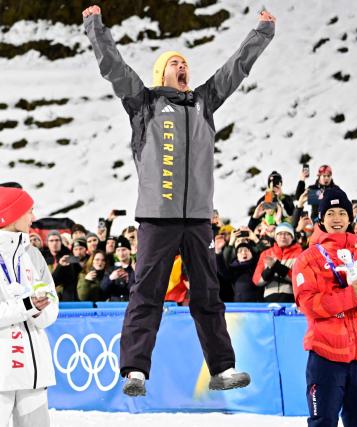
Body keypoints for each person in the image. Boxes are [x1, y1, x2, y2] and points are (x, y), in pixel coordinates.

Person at [82, 4, 275, 396]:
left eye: (185, 62)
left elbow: (235, 68)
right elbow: (114, 67)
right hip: (157, 217)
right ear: (161, 74)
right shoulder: (145, 103)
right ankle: (135, 370)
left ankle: (222, 369)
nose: (182, 66)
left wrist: (263, 33)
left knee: (207, 294)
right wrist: (94, 26)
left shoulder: (204, 102)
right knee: (146, 293)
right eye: (175, 63)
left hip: (198, 218)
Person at [292, 187, 357, 427]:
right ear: (321, 219)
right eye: (330, 213)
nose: (337, 219)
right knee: (323, 422)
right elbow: (309, 304)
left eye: (342, 213)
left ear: (350, 217)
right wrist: (351, 295)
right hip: (326, 356)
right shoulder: (307, 259)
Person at [0, 187, 58, 426]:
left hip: (35, 374)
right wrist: (26, 305)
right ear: (11, 215)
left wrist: (39, 308)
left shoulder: (33, 254)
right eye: (29, 211)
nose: (33, 218)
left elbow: (52, 306)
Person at [253, 222, 303, 302]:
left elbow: (299, 279)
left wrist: (276, 266)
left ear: (292, 237)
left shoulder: (300, 254)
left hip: (291, 299)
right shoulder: (266, 253)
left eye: (287, 234)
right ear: (275, 237)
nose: (283, 237)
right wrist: (269, 270)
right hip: (268, 300)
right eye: (280, 234)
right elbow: (257, 280)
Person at [100, 236, 135, 301]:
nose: (121, 253)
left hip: (130, 304)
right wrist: (111, 278)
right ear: (115, 253)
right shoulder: (111, 269)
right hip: (114, 306)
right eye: (118, 250)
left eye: (124, 250)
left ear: (129, 251)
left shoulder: (135, 269)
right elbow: (102, 289)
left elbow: (139, 290)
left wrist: (129, 279)